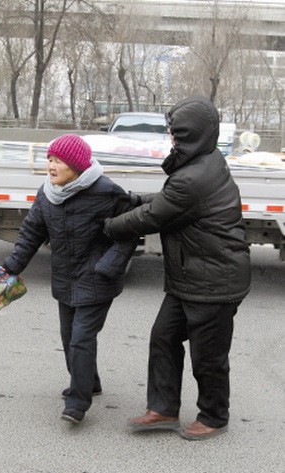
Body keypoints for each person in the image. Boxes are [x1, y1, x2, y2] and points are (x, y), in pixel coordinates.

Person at [104, 95, 251, 440]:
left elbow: (155, 216)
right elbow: (168, 203)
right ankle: (164, 409)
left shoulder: (193, 176)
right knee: (164, 337)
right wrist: (136, 199)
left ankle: (214, 416)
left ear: (191, 135)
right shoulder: (203, 160)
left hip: (214, 280)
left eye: (175, 133)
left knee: (209, 356)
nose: (171, 138)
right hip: (193, 275)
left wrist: (108, 226)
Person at [1, 134, 138, 425]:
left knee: (81, 339)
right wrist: (12, 266)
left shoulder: (107, 192)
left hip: (98, 279)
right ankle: (90, 382)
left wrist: (108, 266)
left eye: (58, 160)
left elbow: (129, 233)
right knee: (69, 337)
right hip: (65, 278)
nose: (51, 166)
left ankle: (77, 403)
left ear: (76, 165)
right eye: (49, 159)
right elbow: (31, 232)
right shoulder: (47, 193)